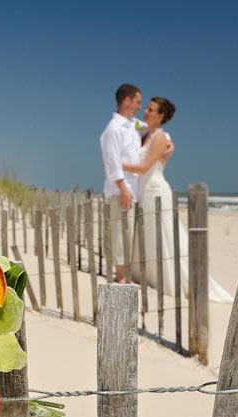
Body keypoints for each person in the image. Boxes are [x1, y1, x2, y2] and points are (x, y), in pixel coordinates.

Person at [123, 97, 234, 303]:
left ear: (161, 115)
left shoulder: (159, 136)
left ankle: (177, 281)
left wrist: (115, 166)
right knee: (147, 235)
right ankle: (148, 276)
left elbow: (145, 167)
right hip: (143, 192)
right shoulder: (144, 132)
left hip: (156, 190)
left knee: (166, 236)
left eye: (151, 109)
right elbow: (128, 123)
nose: (145, 111)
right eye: (146, 107)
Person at [100, 83, 142, 283]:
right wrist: (123, 188)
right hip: (120, 190)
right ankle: (120, 277)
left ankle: (125, 275)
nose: (139, 106)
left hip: (133, 188)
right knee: (119, 233)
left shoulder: (133, 124)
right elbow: (112, 161)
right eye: (137, 102)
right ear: (127, 100)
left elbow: (153, 130)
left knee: (129, 233)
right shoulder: (113, 129)